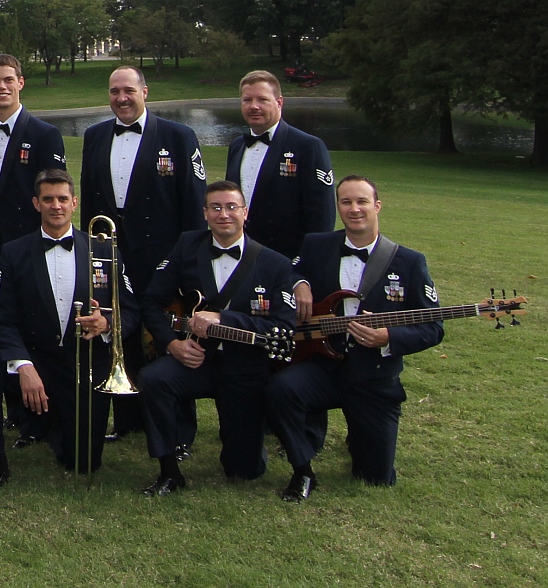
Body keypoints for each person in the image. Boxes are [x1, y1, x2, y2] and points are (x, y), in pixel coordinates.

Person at [266, 176, 443, 501]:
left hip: (373, 378)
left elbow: (434, 327)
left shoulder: (409, 262)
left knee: (375, 477)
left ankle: (361, 435)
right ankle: (303, 469)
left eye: (362, 201)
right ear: (338, 207)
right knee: (280, 389)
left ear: (377, 205)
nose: (354, 209)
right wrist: (299, 283)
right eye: (346, 202)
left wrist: (387, 337)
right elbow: (288, 270)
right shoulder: (317, 245)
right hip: (323, 368)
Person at [0, 170, 138, 493]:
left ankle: (55, 423)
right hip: (35, 359)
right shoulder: (14, 252)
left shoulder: (104, 250)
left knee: (84, 462)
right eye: (47, 199)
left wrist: (107, 324)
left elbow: (131, 311)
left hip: (84, 365)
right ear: (36, 203)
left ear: (74, 203)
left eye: (62, 199)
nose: (55, 206)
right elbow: (2, 319)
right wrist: (24, 366)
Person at [136, 181, 295, 496]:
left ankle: (248, 446)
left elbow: (283, 327)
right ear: (205, 213)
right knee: (153, 379)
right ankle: (169, 471)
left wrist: (225, 319)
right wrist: (172, 344)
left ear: (245, 213)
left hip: (244, 369)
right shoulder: (187, 246)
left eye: (232, 207)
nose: (225, 215)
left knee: (244, 471)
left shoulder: (274, 263)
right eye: (216, 208)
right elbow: (151, 302)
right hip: (196, 361)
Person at [80, 65, 207, 443]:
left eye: (129, 90)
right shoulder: (94, 135)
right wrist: (94, 253)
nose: (121, 98)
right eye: (114, 91)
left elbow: (194, 204)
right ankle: (128, 418)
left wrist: (187, 262)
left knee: (166, 337)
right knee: (122, 333)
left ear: (145, 92)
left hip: (164, 258)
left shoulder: (180, 136)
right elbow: (90, 202)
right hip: (114, 256)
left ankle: (179, 429)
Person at [0, 53, 67, 297]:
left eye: (8, 80)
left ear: (20, 83)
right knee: (0, 321)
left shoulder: (46, 134)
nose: (2, 87)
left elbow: (56, 199)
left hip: (32, 245)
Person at [225, 70, 335, 260]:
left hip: (288, 260)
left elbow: (321, 216)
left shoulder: (308, 146)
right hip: (242, 257)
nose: (254, 106)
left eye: (262, 100)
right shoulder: (237, 146)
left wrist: (306, 264)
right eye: (247, 100)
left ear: (279, 102)